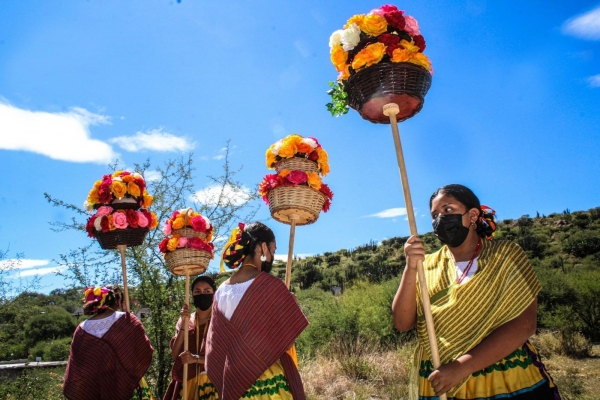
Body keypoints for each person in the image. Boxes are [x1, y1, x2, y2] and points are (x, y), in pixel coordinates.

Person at [392, 184, 560, 400]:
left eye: (448, 210)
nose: (440, 219)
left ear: (472, 215)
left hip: (502, 379)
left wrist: (462, 367)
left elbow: (525, 324)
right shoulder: (426, 266)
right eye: (434, 215)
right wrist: (410, 267)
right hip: (440, 382)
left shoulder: (506, 255)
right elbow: (402, 323)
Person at [205, 222, 309, 400]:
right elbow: (286, 343)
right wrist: (289, 308)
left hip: (232, 383)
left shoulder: (221, 291)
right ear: (262, 247)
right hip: (269, 386)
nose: (273, 256)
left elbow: (214, 347)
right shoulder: (272, 286)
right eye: (273, 250)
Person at [64, 285, 154, 400]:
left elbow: (78, 368)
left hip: (95, 392)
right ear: (117, 300)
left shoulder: (81, 329)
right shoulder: (128, 320)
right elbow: (144, 350)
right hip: (129, 386)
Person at [163, 276, 218, 400]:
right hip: (187, 383)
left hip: (213, 384)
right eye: (197, 291)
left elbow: (224, 358)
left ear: (214, 294)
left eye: (207, 291)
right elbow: (175, 354)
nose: (202, 294)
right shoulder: (188, 320)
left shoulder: (219, 320)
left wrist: (196, 359)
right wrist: (184, 323)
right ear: (192, 295)